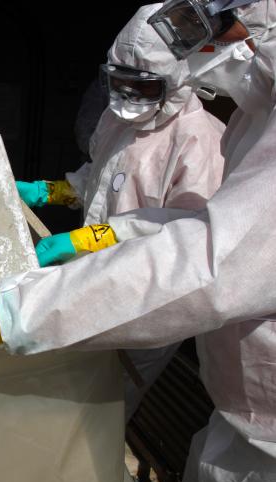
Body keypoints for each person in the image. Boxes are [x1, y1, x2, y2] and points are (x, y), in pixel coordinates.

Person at [0, 1, 276, 482]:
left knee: (85, 419)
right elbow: (117, 183)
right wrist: (64, 200)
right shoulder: (244, 114)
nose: (206, 39)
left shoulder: (201, 136)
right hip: (233, 427)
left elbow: (203, 261)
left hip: (251, 447)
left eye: (216, 20)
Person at [23, 4, 227, 420]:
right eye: (118, 83)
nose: (128, 97)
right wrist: (51, 191)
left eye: (145, 88)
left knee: (101, 412)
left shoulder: (199, 141)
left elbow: (186, 241)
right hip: (89, 279)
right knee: (63, 391)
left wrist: (88, 239)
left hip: (144, 301)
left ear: (176, 80)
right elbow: (100, 177)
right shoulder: (116, 120)